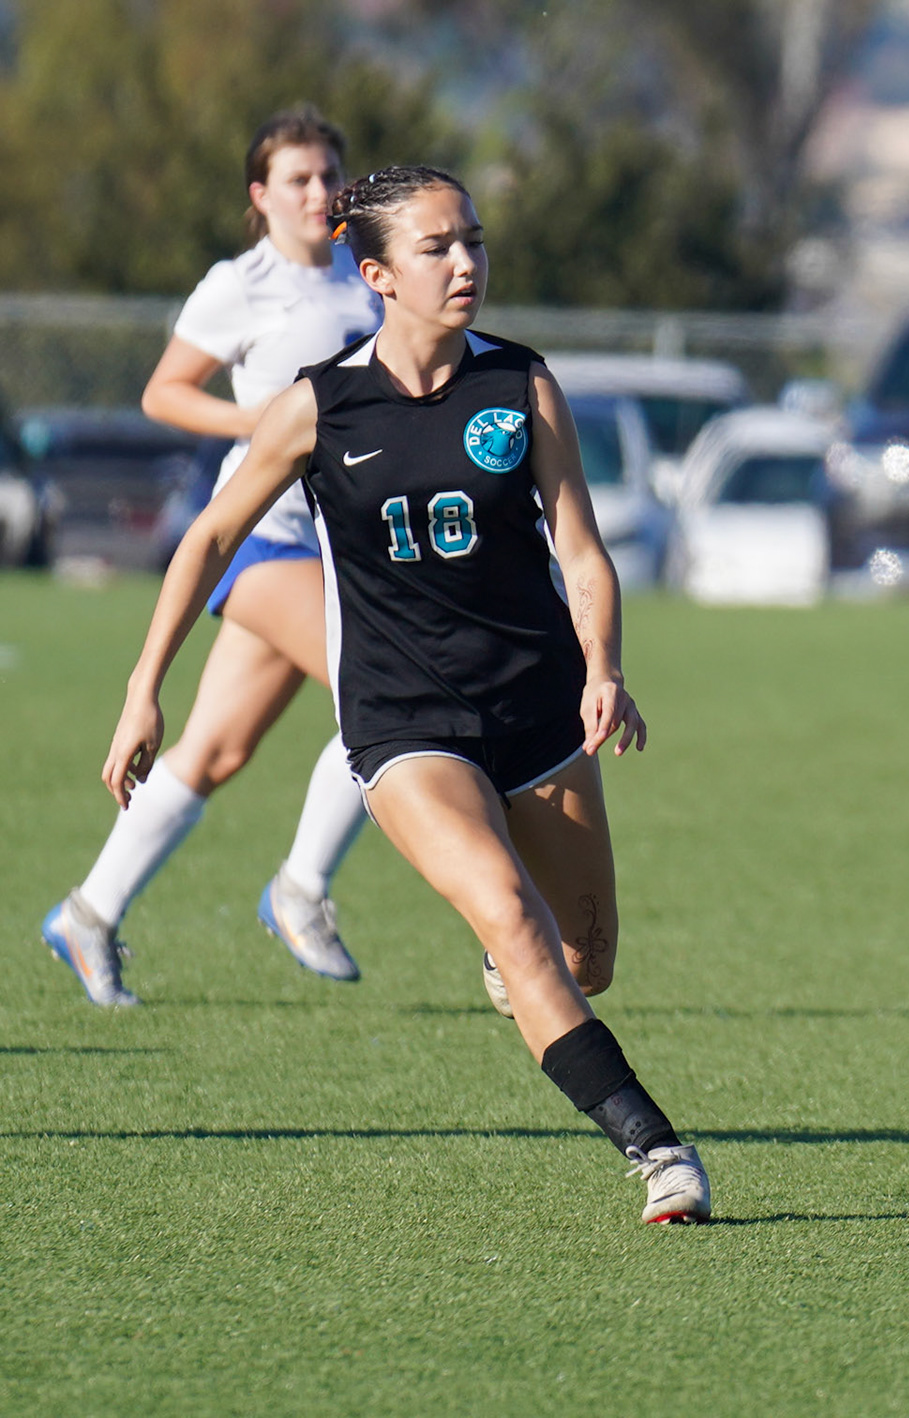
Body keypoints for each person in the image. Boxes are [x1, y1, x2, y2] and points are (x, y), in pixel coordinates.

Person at [98, 164, 710, 1222]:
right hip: (402, 720)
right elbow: (209, 537)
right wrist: (143, 688)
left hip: (538, 707)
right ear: (377, 274)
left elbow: (581, 549)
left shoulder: (521, 383)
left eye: (473, 239)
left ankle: (517, 965)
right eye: (438, 247)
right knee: (510, 914)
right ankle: (659, 1152)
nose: (466, 262)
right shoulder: (319, 405)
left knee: (585, 957)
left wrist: (604, 667)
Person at [42, 106, 382, 1004]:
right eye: (299, 179)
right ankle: (301, 888)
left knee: (215, 750)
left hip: (342, 542)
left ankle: (87, 913)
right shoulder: (242, 284)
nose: (319, 192)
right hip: (264, 531)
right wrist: (259, 422)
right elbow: (164, 392)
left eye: (330, 174)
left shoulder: (365, 271)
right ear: (260, 195)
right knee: (391, 691)